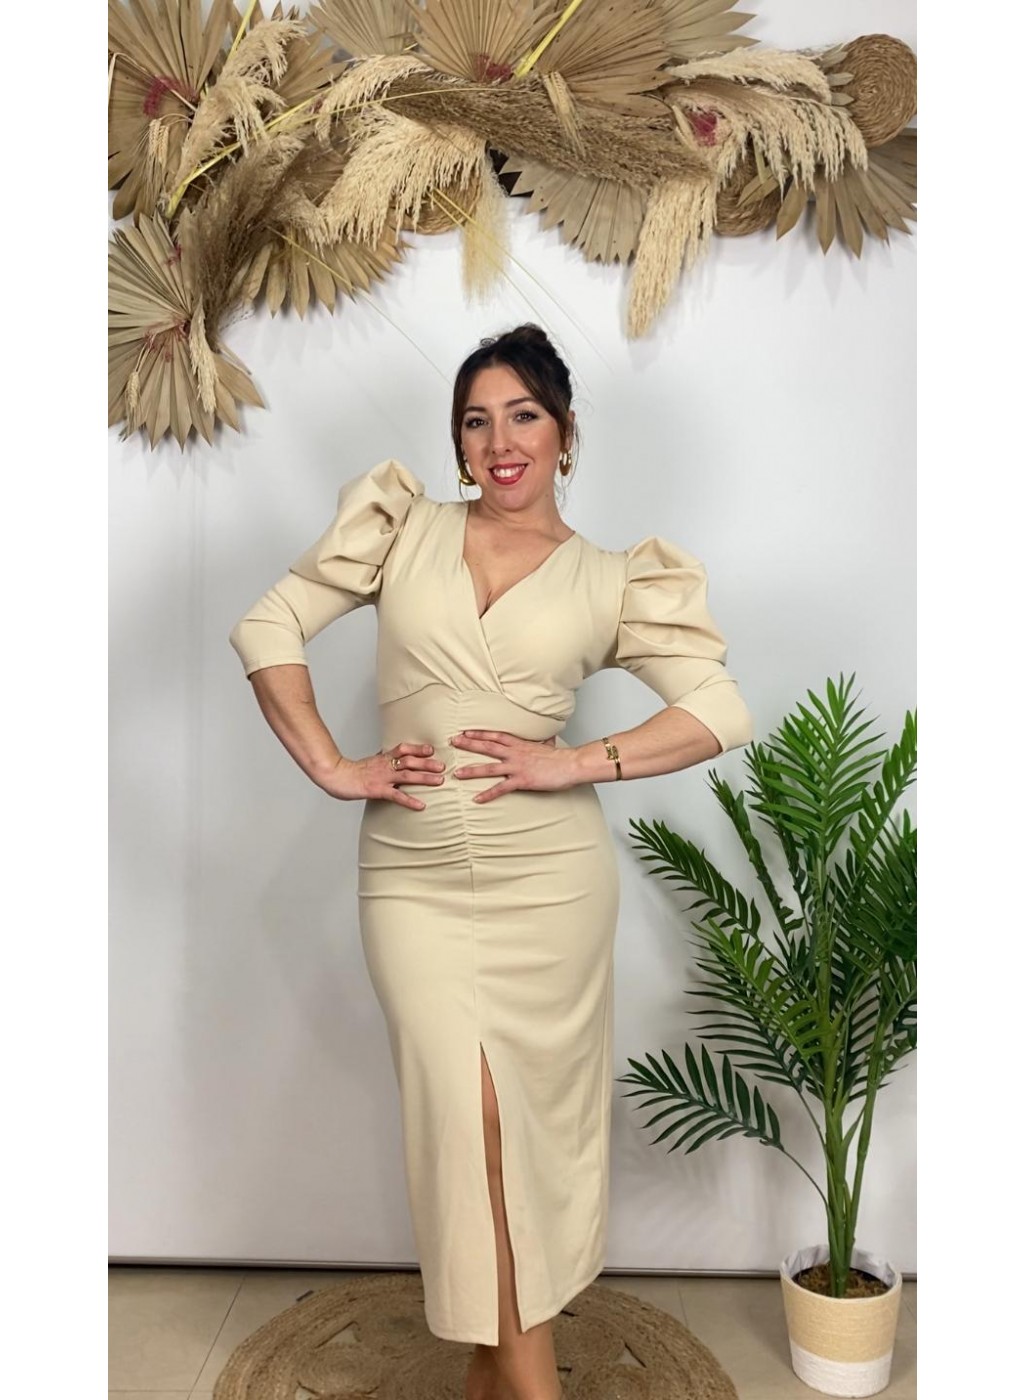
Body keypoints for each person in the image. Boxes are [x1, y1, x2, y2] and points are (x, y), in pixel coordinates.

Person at [228, 323, 754, 1400]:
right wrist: (332, 765)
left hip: (550, 888)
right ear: (457, 441)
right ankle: (534, 1382)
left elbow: (716, 708)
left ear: (564, 432)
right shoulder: (401, 528)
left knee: (525, 1140)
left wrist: (576, 761)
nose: (499, 441)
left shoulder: (612, 578)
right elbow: (269, 625)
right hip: (412, 881)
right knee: (465, 1125)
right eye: (475, 421)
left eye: (523, 415)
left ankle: (493, 1374)